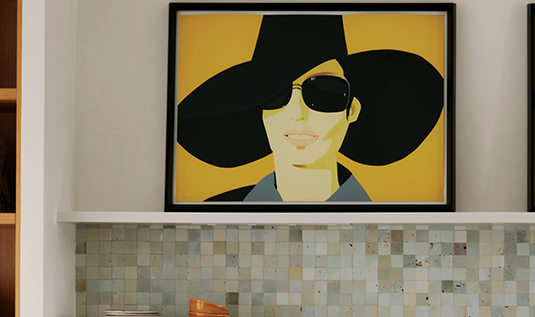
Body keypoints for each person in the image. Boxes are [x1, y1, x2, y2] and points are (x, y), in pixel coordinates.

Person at [177, 13, 444, 203]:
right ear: (260, 113)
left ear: (352, 110)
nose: (298, 112)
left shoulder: (390, 227)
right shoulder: (218, 213)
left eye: (324, 92)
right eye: (275, 96)